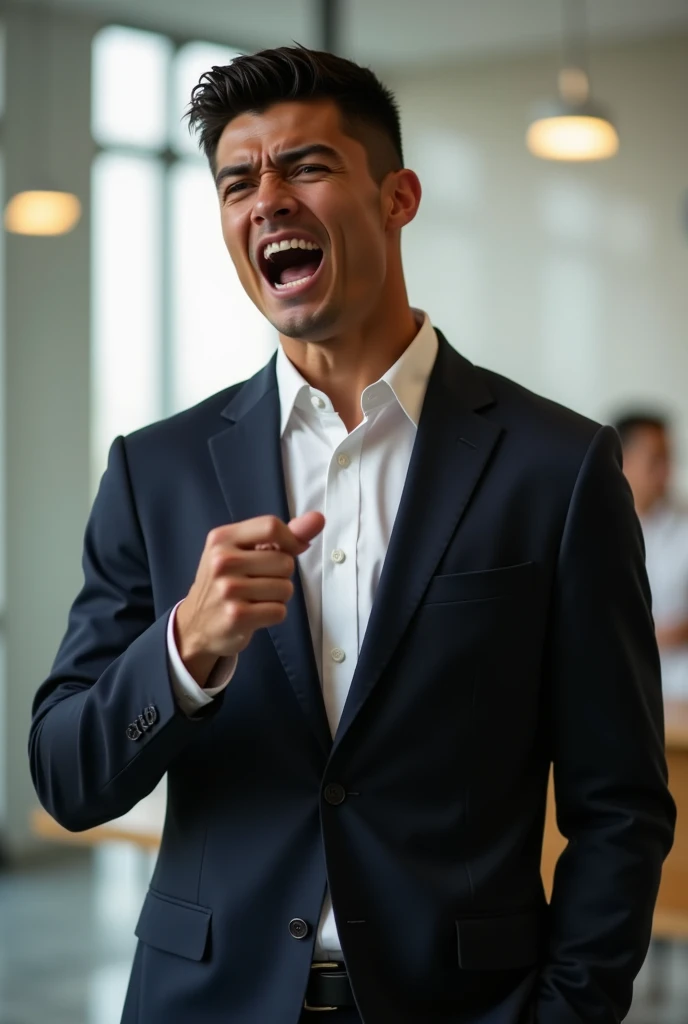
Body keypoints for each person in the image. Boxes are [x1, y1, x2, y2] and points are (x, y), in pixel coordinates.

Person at [29, 46, 675, 1024]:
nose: (267, 198)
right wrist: (183, 651)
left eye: (307, 166)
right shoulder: (152, 472)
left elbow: (619, 806)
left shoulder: (561, 467)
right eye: (237, 180)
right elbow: (67, 776)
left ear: (398, 197)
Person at [615, 411, 688, 699]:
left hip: (679, 689)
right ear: (623, 459)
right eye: (656, 459)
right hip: (619, 688)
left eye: (669, 459)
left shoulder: (683, 528)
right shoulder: (594, 528)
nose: (666, 472)